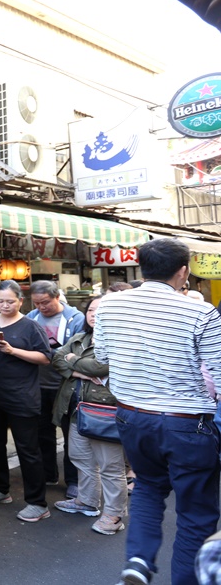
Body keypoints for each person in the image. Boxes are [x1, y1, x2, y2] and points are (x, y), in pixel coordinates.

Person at [95, 238, 221, 585]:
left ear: (141, 267)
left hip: (132, 417)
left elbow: (102, 356)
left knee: (149, 487)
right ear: (183, 271)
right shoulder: (200, 311)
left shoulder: (109, 306)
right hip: (187, 424)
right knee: (196, 513)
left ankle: (137, 560)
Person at [0, 279, 53, 522]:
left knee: (27, 449)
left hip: (21, 397)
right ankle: (0, 489)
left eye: (10, 301)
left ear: (20, 301)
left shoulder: (30, 326)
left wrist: (13, 350)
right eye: (0, 301)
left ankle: (38, 503)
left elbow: (45, 357)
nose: (5, 305)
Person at [51, 296, 128, 535]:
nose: (94, 313)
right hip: (77, 410)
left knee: (111, 466)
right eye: (91, 309)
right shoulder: (79, 338)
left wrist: (75, 361)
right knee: (81, 458)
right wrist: (80, 373)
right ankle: (87, 502)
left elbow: (102, 367)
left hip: (105, 411)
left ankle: (114, 515)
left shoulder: (120, 339)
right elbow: (56, 358)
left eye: (100, 310)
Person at [27, 280, 85, 498]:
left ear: (57, 297)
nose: (42, 307)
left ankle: (73, 480)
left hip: (66, 385)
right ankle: (48, 473)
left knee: (71, 433)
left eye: (45, 302)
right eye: (37, 303)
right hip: (39, 384)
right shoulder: (31, 317)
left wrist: (51, 354)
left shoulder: (75, 318)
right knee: (43, 432)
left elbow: (77, 352)